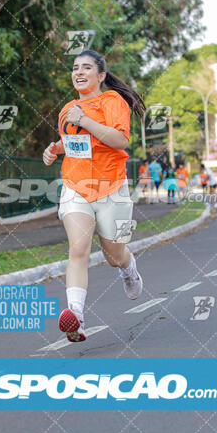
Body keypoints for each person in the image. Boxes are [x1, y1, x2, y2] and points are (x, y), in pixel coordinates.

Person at [43, 50, 145, 343]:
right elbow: (74, 143)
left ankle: (128, 269)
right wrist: (55, 149)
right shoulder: (67, 109)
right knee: (78, 248)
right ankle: (76, 317)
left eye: (86, 68)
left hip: (112, 187)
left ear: (100, 75)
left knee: (114, 255)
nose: (79, 72)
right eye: (75, 67)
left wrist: (85, 119)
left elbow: (119, 140)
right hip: (76, 185)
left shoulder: (113, 101)